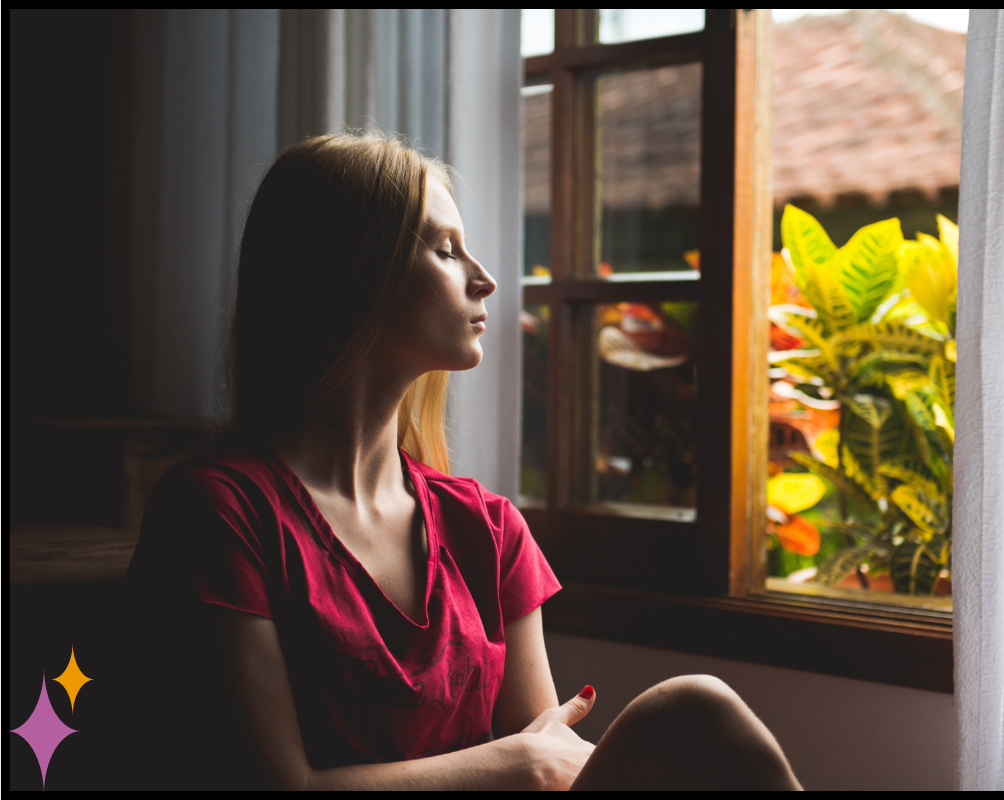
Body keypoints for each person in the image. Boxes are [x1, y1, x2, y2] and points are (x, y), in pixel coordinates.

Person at [124, 132, 802, 791]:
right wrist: (518, 764)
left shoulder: (486, 528)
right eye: (447, 250)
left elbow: (549, 766)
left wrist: (533, 764)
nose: (485, 280)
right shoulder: (219, 513)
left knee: (696, 711)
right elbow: (276, 785)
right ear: (351, 271)